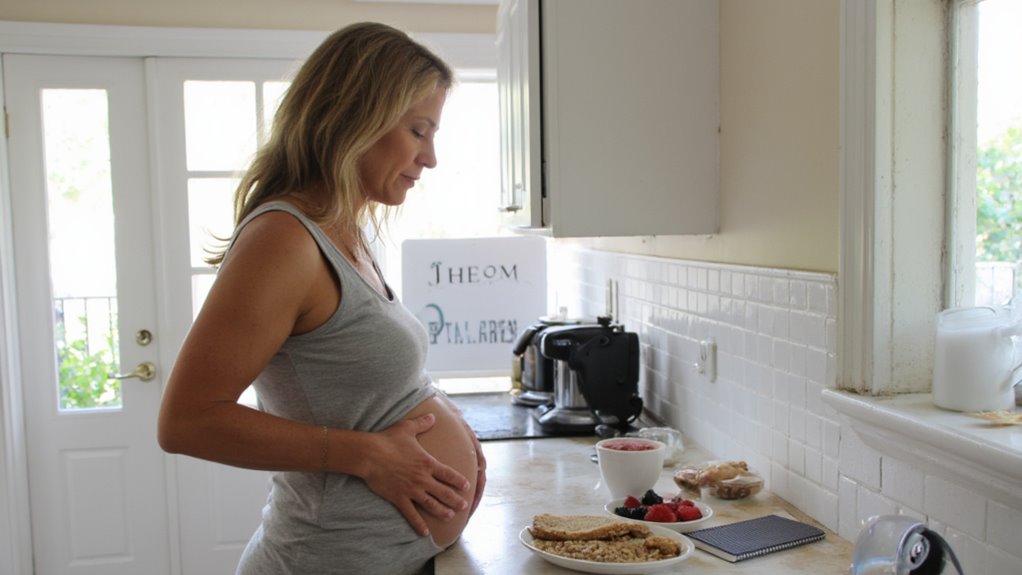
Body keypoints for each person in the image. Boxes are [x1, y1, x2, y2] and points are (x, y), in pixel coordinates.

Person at [157, 22, 486, 575]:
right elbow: (186, 422)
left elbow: (360, 381)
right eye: (418, 130)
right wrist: (367, 455)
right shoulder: (284, 240)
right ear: (358, 118)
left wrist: (450, 419)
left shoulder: (345, 229)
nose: (430, 158)